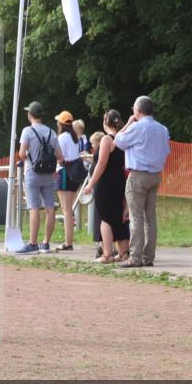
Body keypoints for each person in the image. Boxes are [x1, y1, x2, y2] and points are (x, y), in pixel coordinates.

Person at [114, 95, 170, 268]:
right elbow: (167, 151)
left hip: (138, 175)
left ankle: (135, 256)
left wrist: (129, 122)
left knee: (136, 216)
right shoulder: (163, 129)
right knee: (150, 218)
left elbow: (118, 141)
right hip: (155, 175)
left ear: (137, 111)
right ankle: (148, 256)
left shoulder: (137, 127)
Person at [16, 101, 63, 254]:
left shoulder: (27, 131)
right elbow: (60, 156)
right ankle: (46, 243)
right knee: (50, 208)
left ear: (30, 115)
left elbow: (22, 154)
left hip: (32, 173)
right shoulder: (51, 132)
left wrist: (31, 155)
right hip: (49, 175)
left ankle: (32, 243)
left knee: (34, 208)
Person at [85, 112, 130, 263]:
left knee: (105, 218)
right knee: (118, 217)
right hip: (119, 182)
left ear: (105, 122)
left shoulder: (106, 139)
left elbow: (102, 163)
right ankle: (123, 252)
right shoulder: (122, 139)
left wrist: (91, 184)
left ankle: (107, 254)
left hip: (106, 183)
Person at [54, 110, 86, 251]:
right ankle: (69, 240)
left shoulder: (62, 137)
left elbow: (59, 157)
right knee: (69, 209)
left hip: (65, 173)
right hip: (75, 174)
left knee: (66, 210)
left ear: (61, 123)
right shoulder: (75, 137)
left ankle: (68, 242)